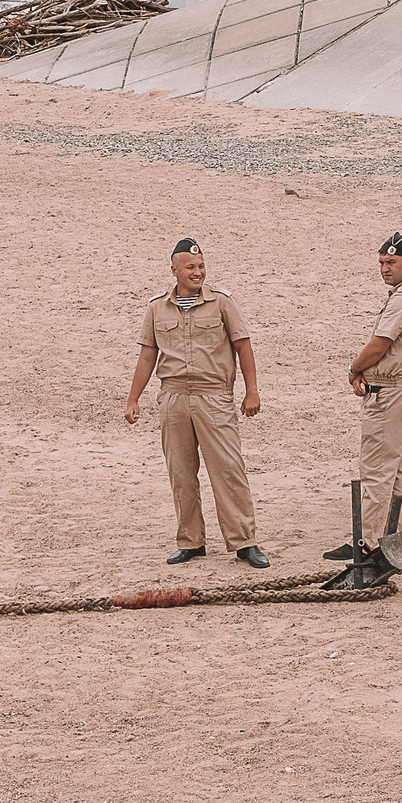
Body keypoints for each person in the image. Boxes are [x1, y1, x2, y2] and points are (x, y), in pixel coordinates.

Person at [123, 237, 269, 569]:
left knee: (228, 470)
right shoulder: (156, 308)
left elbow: (243, 346)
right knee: (181, 472)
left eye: (201, 267)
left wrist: (252, 391)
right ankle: (190, 542)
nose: (197, 272)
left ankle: (244, 542)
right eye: (190, 267)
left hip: (213, 396)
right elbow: (148, 356)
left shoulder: (222, 303)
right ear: (174, 270)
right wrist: (133, 399)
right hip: (173, 396)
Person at [323, 231, 402, 585]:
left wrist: (355, 369)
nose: (384, 268)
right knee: (395, 470)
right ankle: (393, 539)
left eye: (391, 262)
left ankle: (369, 545)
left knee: (376, 472)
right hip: (396, 389)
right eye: (381, 263)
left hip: (389, 393)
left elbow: (380, 344)